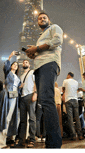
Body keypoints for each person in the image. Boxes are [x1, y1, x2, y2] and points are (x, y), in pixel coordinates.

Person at [25, 12, 63, 148]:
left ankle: (54, 143)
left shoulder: (54, 28)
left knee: (47, 100)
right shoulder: (40, 37)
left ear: (49, 19)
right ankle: (51, 141)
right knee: (43, 102)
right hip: (40, 67)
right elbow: (40, 52)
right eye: (39, 18)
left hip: (49, 64)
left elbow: (57, 41)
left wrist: (38, 48)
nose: (42, 19)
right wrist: (33, 53)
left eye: (44, 17)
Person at [0, 51, 21, 149]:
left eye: (17, 65)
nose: (15, 66)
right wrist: (11, 56)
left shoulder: (17, 77)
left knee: (12, 118)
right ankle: (1, 143)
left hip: (14, 97)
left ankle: (5, 141)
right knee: (5, 118)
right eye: (14, 64)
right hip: (8, 97)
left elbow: (18, 88)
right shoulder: (8, 73)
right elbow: (6, 65)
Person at [17, 60, 37, 148]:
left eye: (26, 62)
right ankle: (22, 140)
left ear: (29, 65)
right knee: (22, 120)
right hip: (22, 97)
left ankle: (32, 139)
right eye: (23, 63)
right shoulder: (21, 76)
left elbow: (36, 83)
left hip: (30, 95)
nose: (24, 63)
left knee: (32, 118)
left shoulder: (32, 72)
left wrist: (35, 93)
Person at [62, 72, 83, 140]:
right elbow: (76, 90)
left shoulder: (65, 81)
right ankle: (80, 134)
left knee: (70, 118)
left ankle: (73, 135)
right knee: (77, 117)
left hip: (68, 100)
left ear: (68, 75)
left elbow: (63, 90)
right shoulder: (76, 82)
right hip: (75, 100)